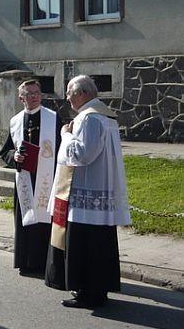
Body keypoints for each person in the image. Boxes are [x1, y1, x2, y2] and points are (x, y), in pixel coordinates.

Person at [45, 75, 131, 308]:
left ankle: (87, 293)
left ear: (82, 94)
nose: (67, 98)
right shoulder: (105, 116)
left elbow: (83, 155)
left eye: (70, 93)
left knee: (86, 246)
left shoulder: (90, 118)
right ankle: (97, 291)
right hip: (97, 192)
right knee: (98, 246)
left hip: (86, 193)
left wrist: (65, 135)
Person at [0, 79, 61, 276]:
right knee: (26, 219)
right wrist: (14, 156)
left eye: (36, 92)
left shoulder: (53, 118)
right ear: (21, 98)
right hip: (25, 178)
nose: (34, 97)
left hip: (46, 178)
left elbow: (62, 148)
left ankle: (45, 262)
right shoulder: (15, 121)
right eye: (29, 94)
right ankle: (26, 261)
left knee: (45, 220)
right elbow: (6, 150)